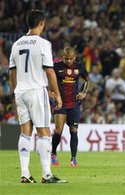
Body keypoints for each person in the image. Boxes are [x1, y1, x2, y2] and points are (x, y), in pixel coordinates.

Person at [9, 9, 67, 183]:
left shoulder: (16, 44)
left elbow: (12, 73)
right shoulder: (43, 44)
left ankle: (25, 174)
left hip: (21, 91)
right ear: (42, 23)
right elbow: (49, 71)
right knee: (44, 132)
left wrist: (15, 91)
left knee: (24, 133)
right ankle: (46, 175)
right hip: (36, 90)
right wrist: (57, 94)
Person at [51, 46, 91, 166]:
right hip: (61, 104)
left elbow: (88, 80)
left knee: (74, 131)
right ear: (63, 57)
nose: (68, 61)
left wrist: (84, 93)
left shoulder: (79, 67)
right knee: (58, 131)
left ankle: (73, 158)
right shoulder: (56, 67)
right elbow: (47, 79)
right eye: (66, 58)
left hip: (74, 104)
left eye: (71, 59)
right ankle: (53, 153)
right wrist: (50, 92)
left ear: (74, 58)